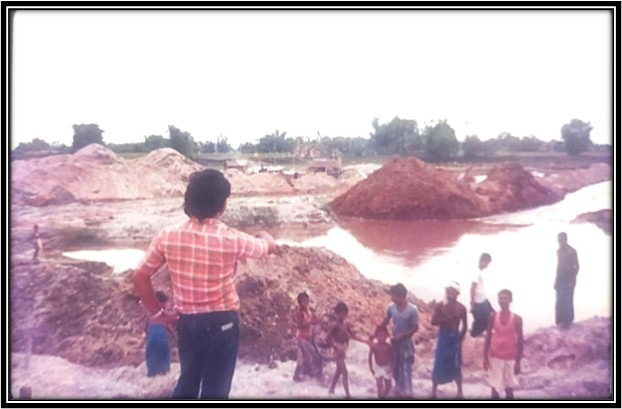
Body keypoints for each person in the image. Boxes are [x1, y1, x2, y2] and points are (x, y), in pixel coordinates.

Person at [132, 169, 276, 399]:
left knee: (188, 381)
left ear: (189, 201)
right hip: (223, 324)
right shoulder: (231, 238)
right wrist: (265, 235)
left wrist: (158, 313)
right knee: (216, 390)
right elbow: (267, 248)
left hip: (188, 323)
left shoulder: (168, 236)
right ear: (222, 205)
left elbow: (140, 276)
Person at [380, 283, 419, 398]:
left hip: (406, 343)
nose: (392, 298)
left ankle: (407, 392)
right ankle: (398, 388)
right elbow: (385, 321)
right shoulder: (391, 307)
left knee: (406, 367)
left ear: (401, 296)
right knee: (395, 367)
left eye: (394, 296)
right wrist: (377, 332)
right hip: (394, 342)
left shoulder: (412, 309)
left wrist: (402, 336)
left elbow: (415, 327)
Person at [483, 289, 524, 399]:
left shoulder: (517, 319)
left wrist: (518, 362)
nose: (503, 301)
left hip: (510, 358)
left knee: (509, 389)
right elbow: (488, 337)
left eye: (505, 298)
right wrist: (485, 357)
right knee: (494, 388)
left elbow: (520, 341)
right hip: (495, 357)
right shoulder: (493, 316)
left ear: (511, 300)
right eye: (500, 298)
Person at [431, 281, 468, 399]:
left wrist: (460, 338)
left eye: (453, 292)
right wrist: (445, 320)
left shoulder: (461, 308)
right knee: (438, 363)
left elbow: (465, 326)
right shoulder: (440, 306)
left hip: (454, 338)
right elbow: (433, 321)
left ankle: (460, 391)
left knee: (456, 365)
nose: (450, 294)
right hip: (443, 337)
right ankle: (433, 391)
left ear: (457, 293)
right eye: (448, 291)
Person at [326, 301, 366, 398]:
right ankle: (348, 395)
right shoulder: (334, 325)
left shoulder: (346, 324)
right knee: (345, 372)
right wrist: (336, 346)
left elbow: (353, 336)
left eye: (345, 314)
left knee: (338, 371)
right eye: (341, 314)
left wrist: (365, 341)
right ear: (337, 313)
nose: (343, 316)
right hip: (337, 350)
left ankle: (331, 389)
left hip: (343, 348)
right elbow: (327, 339)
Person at [292, 291, 322, 381]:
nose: (306, 303)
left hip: (307, 337)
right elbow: (299, 325)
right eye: (304, 301)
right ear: (300, 302)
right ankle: (315, 376)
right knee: (312, 355)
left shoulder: (308, 311)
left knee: (304, 358)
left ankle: (300, 375)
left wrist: (318, 321)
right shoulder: (300, 313)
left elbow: (313, 320)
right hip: (301, 337)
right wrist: (310, 323)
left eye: (307, 301)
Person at [145, 291, 175, 377]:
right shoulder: (161, 313)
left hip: (151, 336)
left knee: (152, 357)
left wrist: (147, 335)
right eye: (166, 303)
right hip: (160, 335)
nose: (166, 305)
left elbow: (147, 326)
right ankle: (164, 372)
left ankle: (152, 373)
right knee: (163, 355)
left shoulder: (150, 312)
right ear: (161, 303)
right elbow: (169, 320)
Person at [554, 232, 579, 329]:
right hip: (560, 277)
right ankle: (560, 320)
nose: (559, 242)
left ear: (565, 239)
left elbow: (577, 266)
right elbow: (559, 265)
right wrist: (556, 280)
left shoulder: (572, 251)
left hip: (569, 277)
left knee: (568, 299)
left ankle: (568, 321)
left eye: (561, 240)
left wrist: (573, 279)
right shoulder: (559, 251)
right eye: (558, 240)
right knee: (559, 299)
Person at [470, 253, 494, 337]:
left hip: (483, 299)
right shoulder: (476, 272)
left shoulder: (479, 272)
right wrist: (472, 303)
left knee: (492, 315)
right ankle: (474, 334)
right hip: (479, 301)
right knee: (481, 319)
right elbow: (472, 288)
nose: (487, 265)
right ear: (483, 261)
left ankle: (485, 333)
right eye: (487, 263)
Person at [368, 325, 393, 399]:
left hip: (387, 367)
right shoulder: (374, 346)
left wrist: (392, 367)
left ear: (387, 336)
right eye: (380, 335)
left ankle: (383, 396)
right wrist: (371, 368)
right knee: (379, 385)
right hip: (378, 367)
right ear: (376, 336)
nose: (382, 337)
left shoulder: (388, 346)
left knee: (388, 386)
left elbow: (393, 357)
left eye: (384, 335)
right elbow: (370, 357)